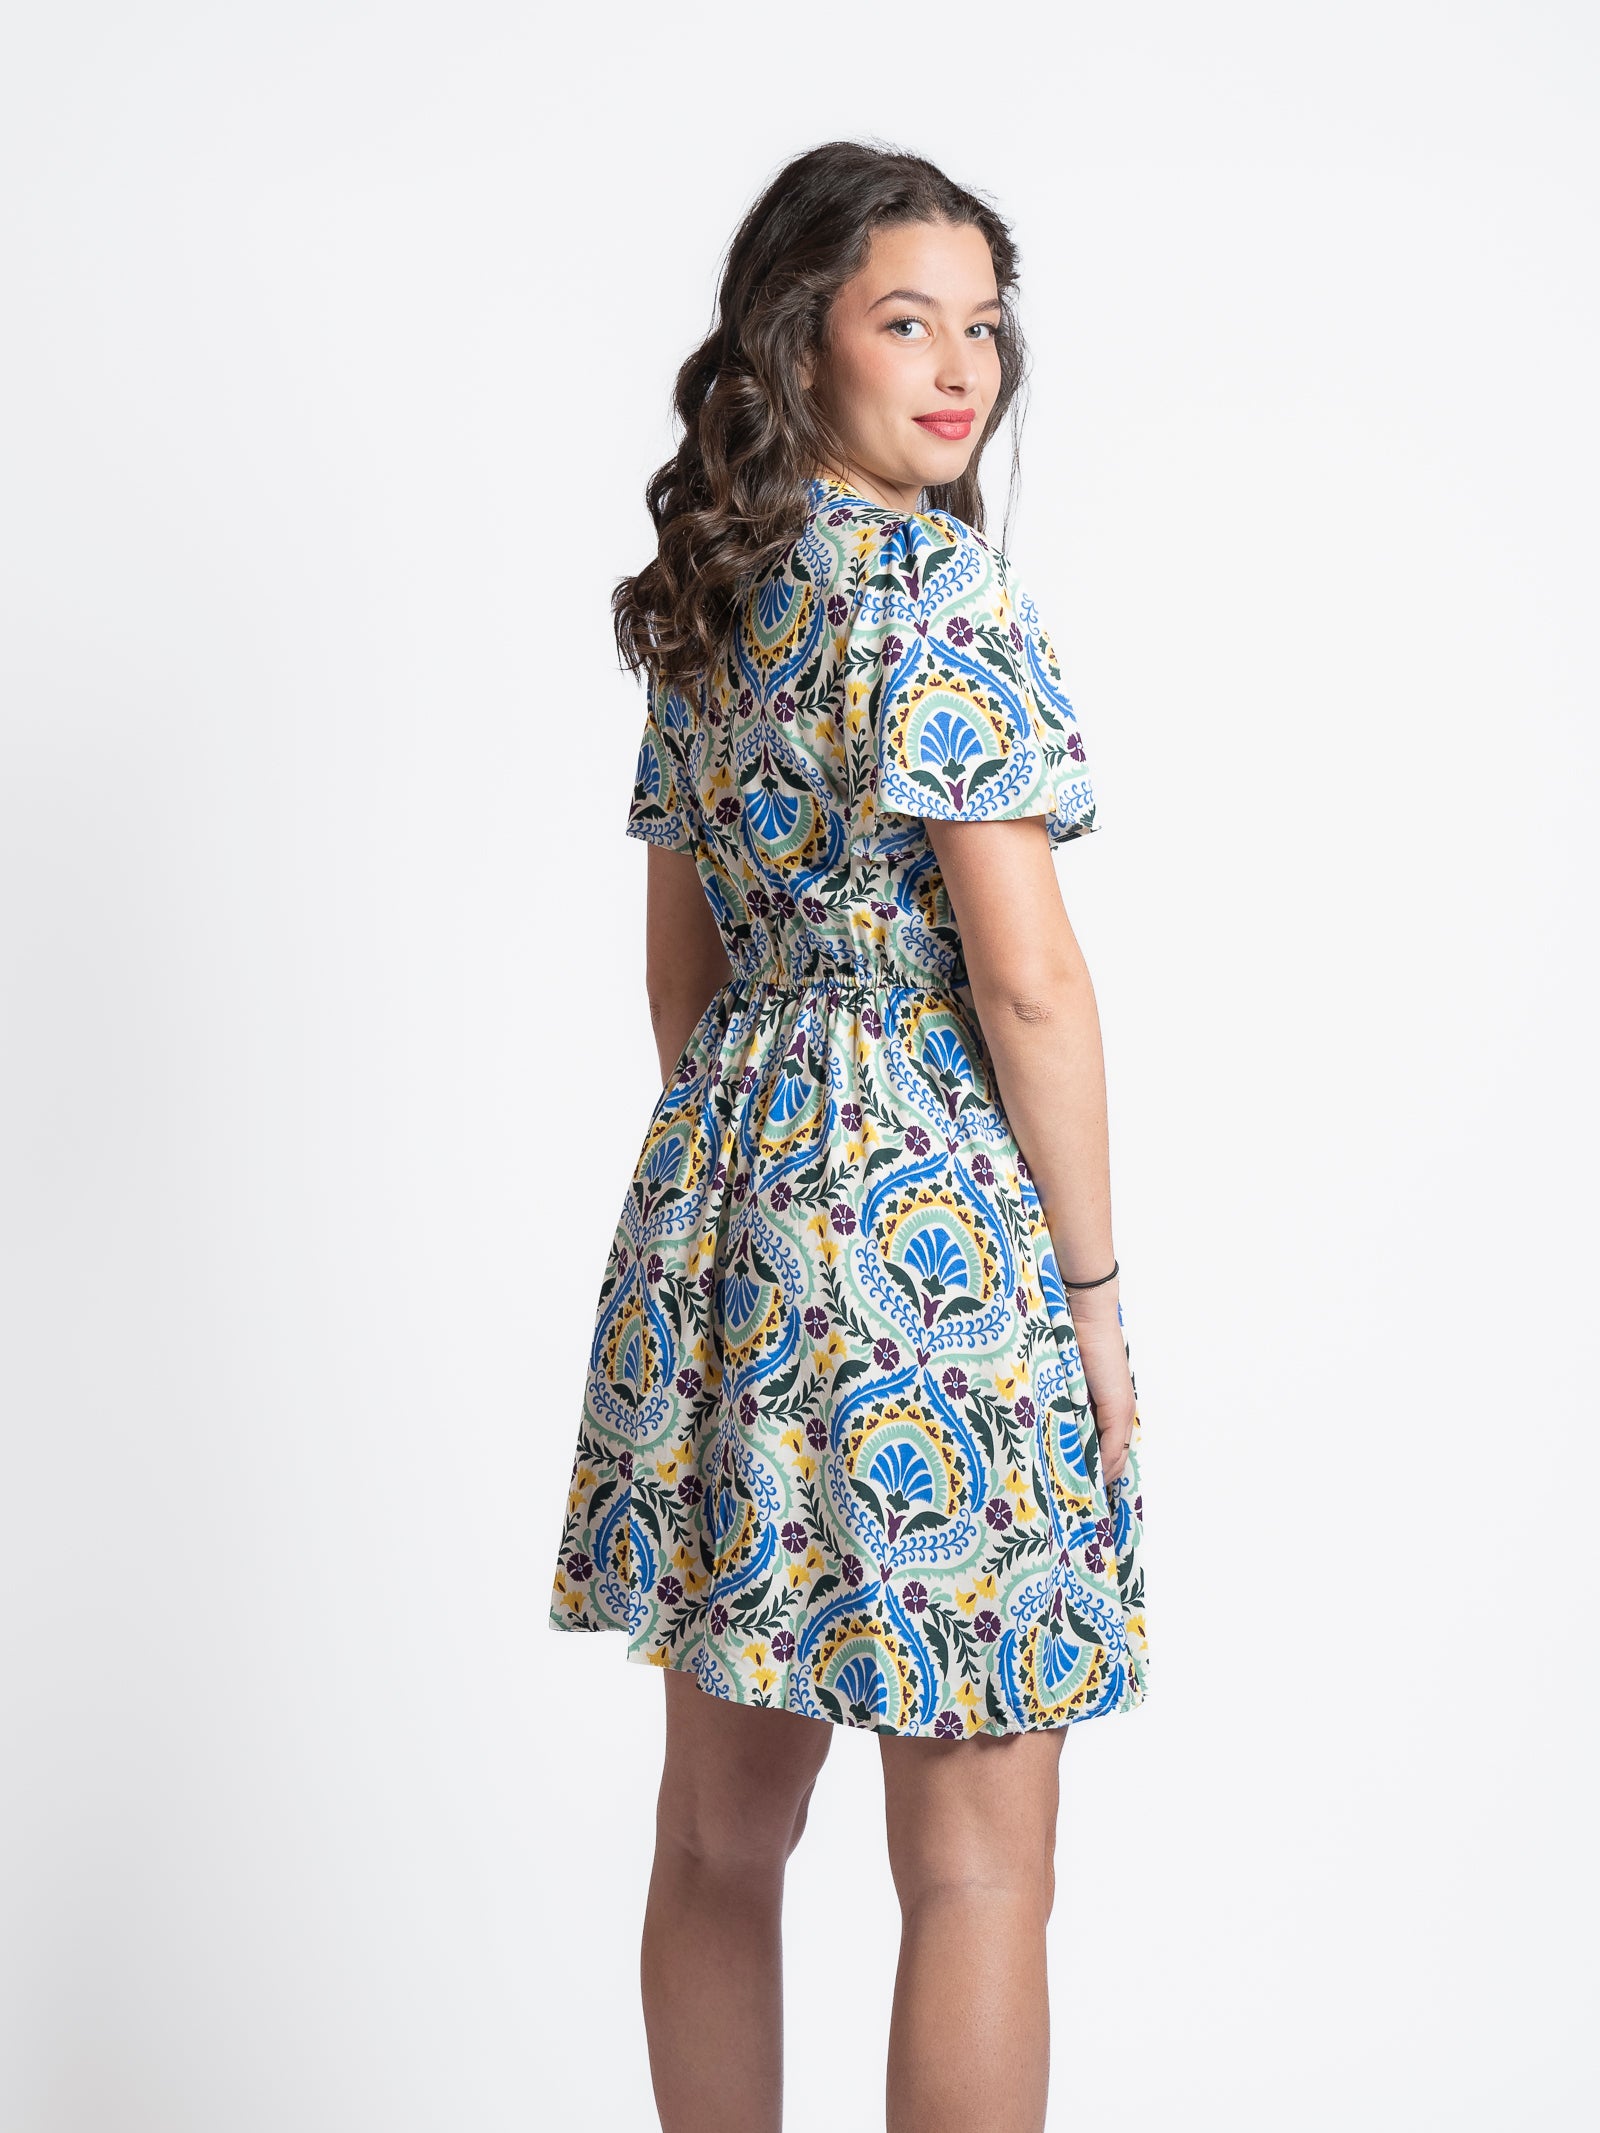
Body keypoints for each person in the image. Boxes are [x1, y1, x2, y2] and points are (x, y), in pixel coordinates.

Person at [547, 139, 1147, 2133]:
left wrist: (758, 1199)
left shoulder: (710, 604)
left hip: (722, 1218)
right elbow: (1027, 984)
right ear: (800, 340)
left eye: (983, 324)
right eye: (908, 320)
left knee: (717, 1836)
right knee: (976, 1866)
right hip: (929, 1241)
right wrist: (1087, 1297)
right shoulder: (938, 594)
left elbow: (680, 979)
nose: (961, 366)